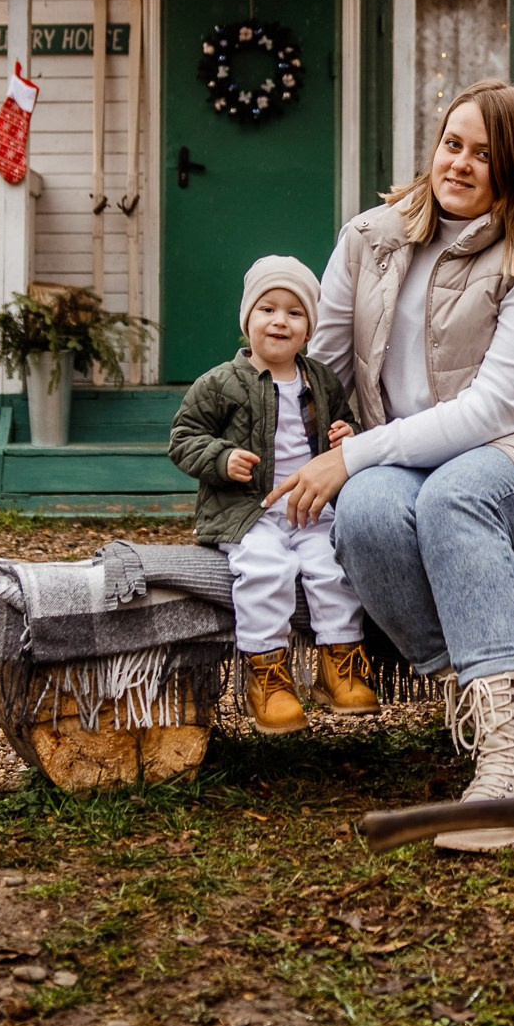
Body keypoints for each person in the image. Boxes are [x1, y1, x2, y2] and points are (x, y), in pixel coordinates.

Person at [263, 81, 514, 850]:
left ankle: (505, 762)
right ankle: (510, 735)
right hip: (403, 449)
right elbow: (317, 362)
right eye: (452, 144)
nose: (459, 164)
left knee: (453, 495)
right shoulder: (372, 237)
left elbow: (495, 412)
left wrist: (354, 454)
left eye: (484, 155)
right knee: (362, 510)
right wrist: (254, 426)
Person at [168, 255, 379, 734]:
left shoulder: (322, 380)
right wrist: (221, 459)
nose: (280, 320)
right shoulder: (221, 382)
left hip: (310, 505)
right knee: (266, 569)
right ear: (248, 321)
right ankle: (267, 675)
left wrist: (348, 434)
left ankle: (338, 666)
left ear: (309, 328)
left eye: (294, 312)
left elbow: (348, 426)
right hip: (248, 510)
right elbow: (183, 438)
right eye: (267, 309)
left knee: (334, 564)